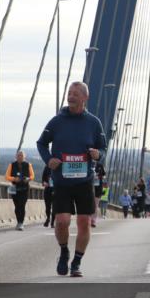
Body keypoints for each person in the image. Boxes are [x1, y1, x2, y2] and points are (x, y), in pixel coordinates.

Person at [36, 82, 106, 278]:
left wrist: (97, 154)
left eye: (75, 94)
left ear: (85, 98)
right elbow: (41, 143)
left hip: (85, 181)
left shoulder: (94, 123)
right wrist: (48, 159)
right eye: (69, 93)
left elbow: (103, 148)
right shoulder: (57, 121)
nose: (70, 96)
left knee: (84, 222)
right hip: (62, 181)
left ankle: (76, 261)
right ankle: (64, 250)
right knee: (62, 221)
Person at [5, 150, 34, 230]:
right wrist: (14, 178)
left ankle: (21, 222)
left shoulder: (28, 165)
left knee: (22, 205)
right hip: (15, 188)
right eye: (18, 155)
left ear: (24, 157)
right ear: (16, 156)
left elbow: (32, 176)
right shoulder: (11, 165)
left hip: (25, 188)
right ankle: (18, 222)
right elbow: (7, 176)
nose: (20, 157)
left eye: (21, 155)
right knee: (17, 206)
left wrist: (28, 179)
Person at [91, 162, 107, 227]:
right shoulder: (87, 162)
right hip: (88, 186)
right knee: (88, 203)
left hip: (98, 187)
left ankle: (93, 220)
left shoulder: (100, 165)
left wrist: (99, 177)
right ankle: (88, 219)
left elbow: (104, 175)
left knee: (96, 204)